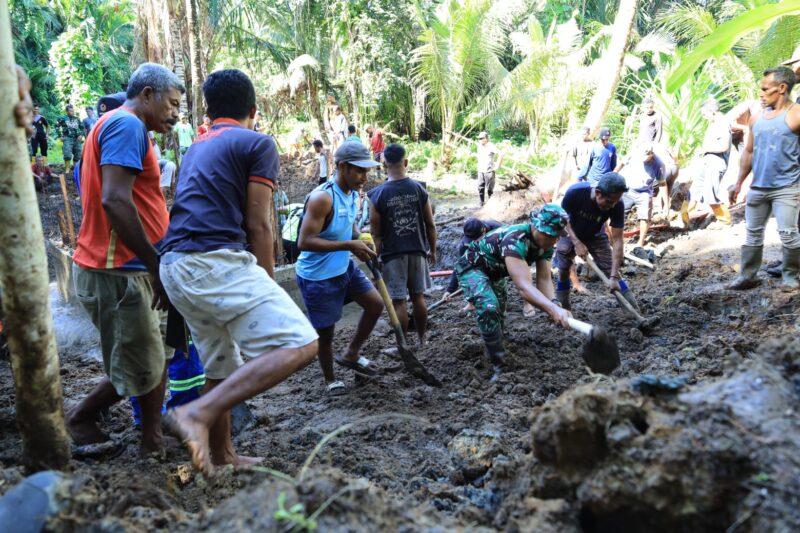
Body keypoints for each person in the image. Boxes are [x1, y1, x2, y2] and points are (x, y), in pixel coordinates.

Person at [158, 69, 318, 474]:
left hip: (175, 266)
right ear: (253, 110)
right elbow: (259, 224)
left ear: (209, 111)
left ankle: (221, 454)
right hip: (214, 260)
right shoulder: (257, 142)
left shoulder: (197, 146)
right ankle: (197, 413)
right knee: (301, 343)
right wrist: (266, 281)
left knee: (220, 366)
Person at [66, 62, 184, 455]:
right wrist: (153, 264)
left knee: (150, 355)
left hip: (130, 266)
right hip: (118, 269)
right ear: (147, 94)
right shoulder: (127, 125)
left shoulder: (125, 127)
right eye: (171, 103)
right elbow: (114, 199)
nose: (175, 114)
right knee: (140, 361)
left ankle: (151, 435)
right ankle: (82, 420)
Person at [295, 141, 383, 396]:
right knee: (326, 333)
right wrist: (348, 244)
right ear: (342, 166)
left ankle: (352, 353)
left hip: (343, 267)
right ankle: (330, 379)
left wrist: (360, 239)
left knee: (375, 305)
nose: (364, 177)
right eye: (359, 171)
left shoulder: (354, 194)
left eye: (366, 171)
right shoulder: (323, 197)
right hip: (317, 277)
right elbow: (304, 241)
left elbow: (348, 228)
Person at [455, 205, 572, 374]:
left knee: (499, 316)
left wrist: (554, 305)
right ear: (534, 225)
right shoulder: (515, 239)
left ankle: (493, 348)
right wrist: (552, 309)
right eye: (546, 234)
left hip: (496, 272)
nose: (550, 240)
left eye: (554, 236)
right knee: (489, 307)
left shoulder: (546, 245)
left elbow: (544, 279)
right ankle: (498, 365)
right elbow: (524, 287)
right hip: (472, 268)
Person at [728, 66, 800, 291]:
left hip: (787, 187)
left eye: (764, 89)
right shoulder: (756, 118)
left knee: (788, 234)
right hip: (758, 187)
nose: (760, 93)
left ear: (781, 88)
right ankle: (748, 276)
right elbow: (748, 152)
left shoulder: (796, 115)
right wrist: (739, 182)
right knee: (752, 233)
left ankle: (791, 277)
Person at [368, 143, 437, 346]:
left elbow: (375, 233)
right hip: (417, 251)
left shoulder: (376, 195)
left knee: (398, 301)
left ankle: (404, 345)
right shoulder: (419, 189)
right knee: (418, 298)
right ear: (405, 162)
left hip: (392, 254)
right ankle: (422, 341)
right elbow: (430, 225)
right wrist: (432, 251)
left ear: (383, 164)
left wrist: (376, 258)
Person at [555, 173, 639, 312]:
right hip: (570, 231)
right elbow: (563, 219)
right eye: (609, 201)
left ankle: (633, 312)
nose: (612, 206)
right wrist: (576, 242)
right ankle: (563, 307)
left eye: (615, 202)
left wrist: (613, 276)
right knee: (563, 264)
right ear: (598, 193)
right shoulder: (576, 192)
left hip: (595, 235)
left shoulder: (617, 205)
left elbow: (618, 241)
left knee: (611, 268)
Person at [681, 100, 732, 227]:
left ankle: (725, 221)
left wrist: (706, 149)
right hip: (707, 162)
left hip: (716, 162)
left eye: (704, 114)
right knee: (694, 190)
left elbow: (724, 146)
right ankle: (684, 220)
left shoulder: (723, 124)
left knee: (711, 194)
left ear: (712, 111)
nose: (703, 117)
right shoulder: (713, 123)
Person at [444, 217, 501, 311]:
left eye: (475, 239)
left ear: (483, 231)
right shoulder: (466, 244)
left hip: (501, 256)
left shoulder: (498, 230)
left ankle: (526, 303)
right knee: (467, 271)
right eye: (471, 239)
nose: (472, 241)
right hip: (483, 260)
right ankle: (471, 303)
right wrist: (449, 290)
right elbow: (460, 266)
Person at [620, 143, 664, 248]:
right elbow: (621, 163)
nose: (643, 159)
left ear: (651, 154)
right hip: (628, 188)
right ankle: (616, 239)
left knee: (644, 217)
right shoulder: (634, 153)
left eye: (646, 156)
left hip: (644, 192)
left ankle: (640, 242)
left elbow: (662, 183)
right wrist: (613, 174)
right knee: (619, 213)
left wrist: (666, 205)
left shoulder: (658, 164)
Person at [57, 104, 85, 173]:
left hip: (77, 139)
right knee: (67, 154)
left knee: (78, 154)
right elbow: (56, 126)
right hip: (67, 138)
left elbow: (82, 128)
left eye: (73, 111)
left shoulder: (77, 119)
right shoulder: (62, 119)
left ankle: (76, 169)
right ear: (67, 112)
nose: (73, 112)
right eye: (71, 111)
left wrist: (81, 135)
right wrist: (60, 135)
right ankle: (67, 169)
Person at [476, 131, 501, 206]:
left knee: (490, 189)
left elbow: (501, 154)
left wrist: (497, 166)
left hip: (489, 171)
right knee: (480, 188)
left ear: (486, 138)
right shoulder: (479, 146)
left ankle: (490, 205)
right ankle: (481, 204)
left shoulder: (491, 146)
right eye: (479, 139)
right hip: (481, 171)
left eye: (481, 138)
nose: (480, 140)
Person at [149, 131, 176, 199]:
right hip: (172, 164)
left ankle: (163, 202)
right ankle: (173, 196)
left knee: (162, 186)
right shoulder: (155, 147)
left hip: (166, 165)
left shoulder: (155, 162)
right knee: (172, 182)